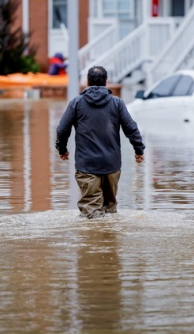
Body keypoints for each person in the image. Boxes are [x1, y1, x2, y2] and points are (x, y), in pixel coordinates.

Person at [55, 65, 145, 219]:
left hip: (87, 165)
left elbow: (62, 129)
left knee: (92, 213)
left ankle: (95, 240)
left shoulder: (77, 103)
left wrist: (62, 149)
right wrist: (139, 150)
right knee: (110, 210)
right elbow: (131, 128)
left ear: (87, 82)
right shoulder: (117, 103)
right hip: (111, 165)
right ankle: (110, 242)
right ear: (106, 82)